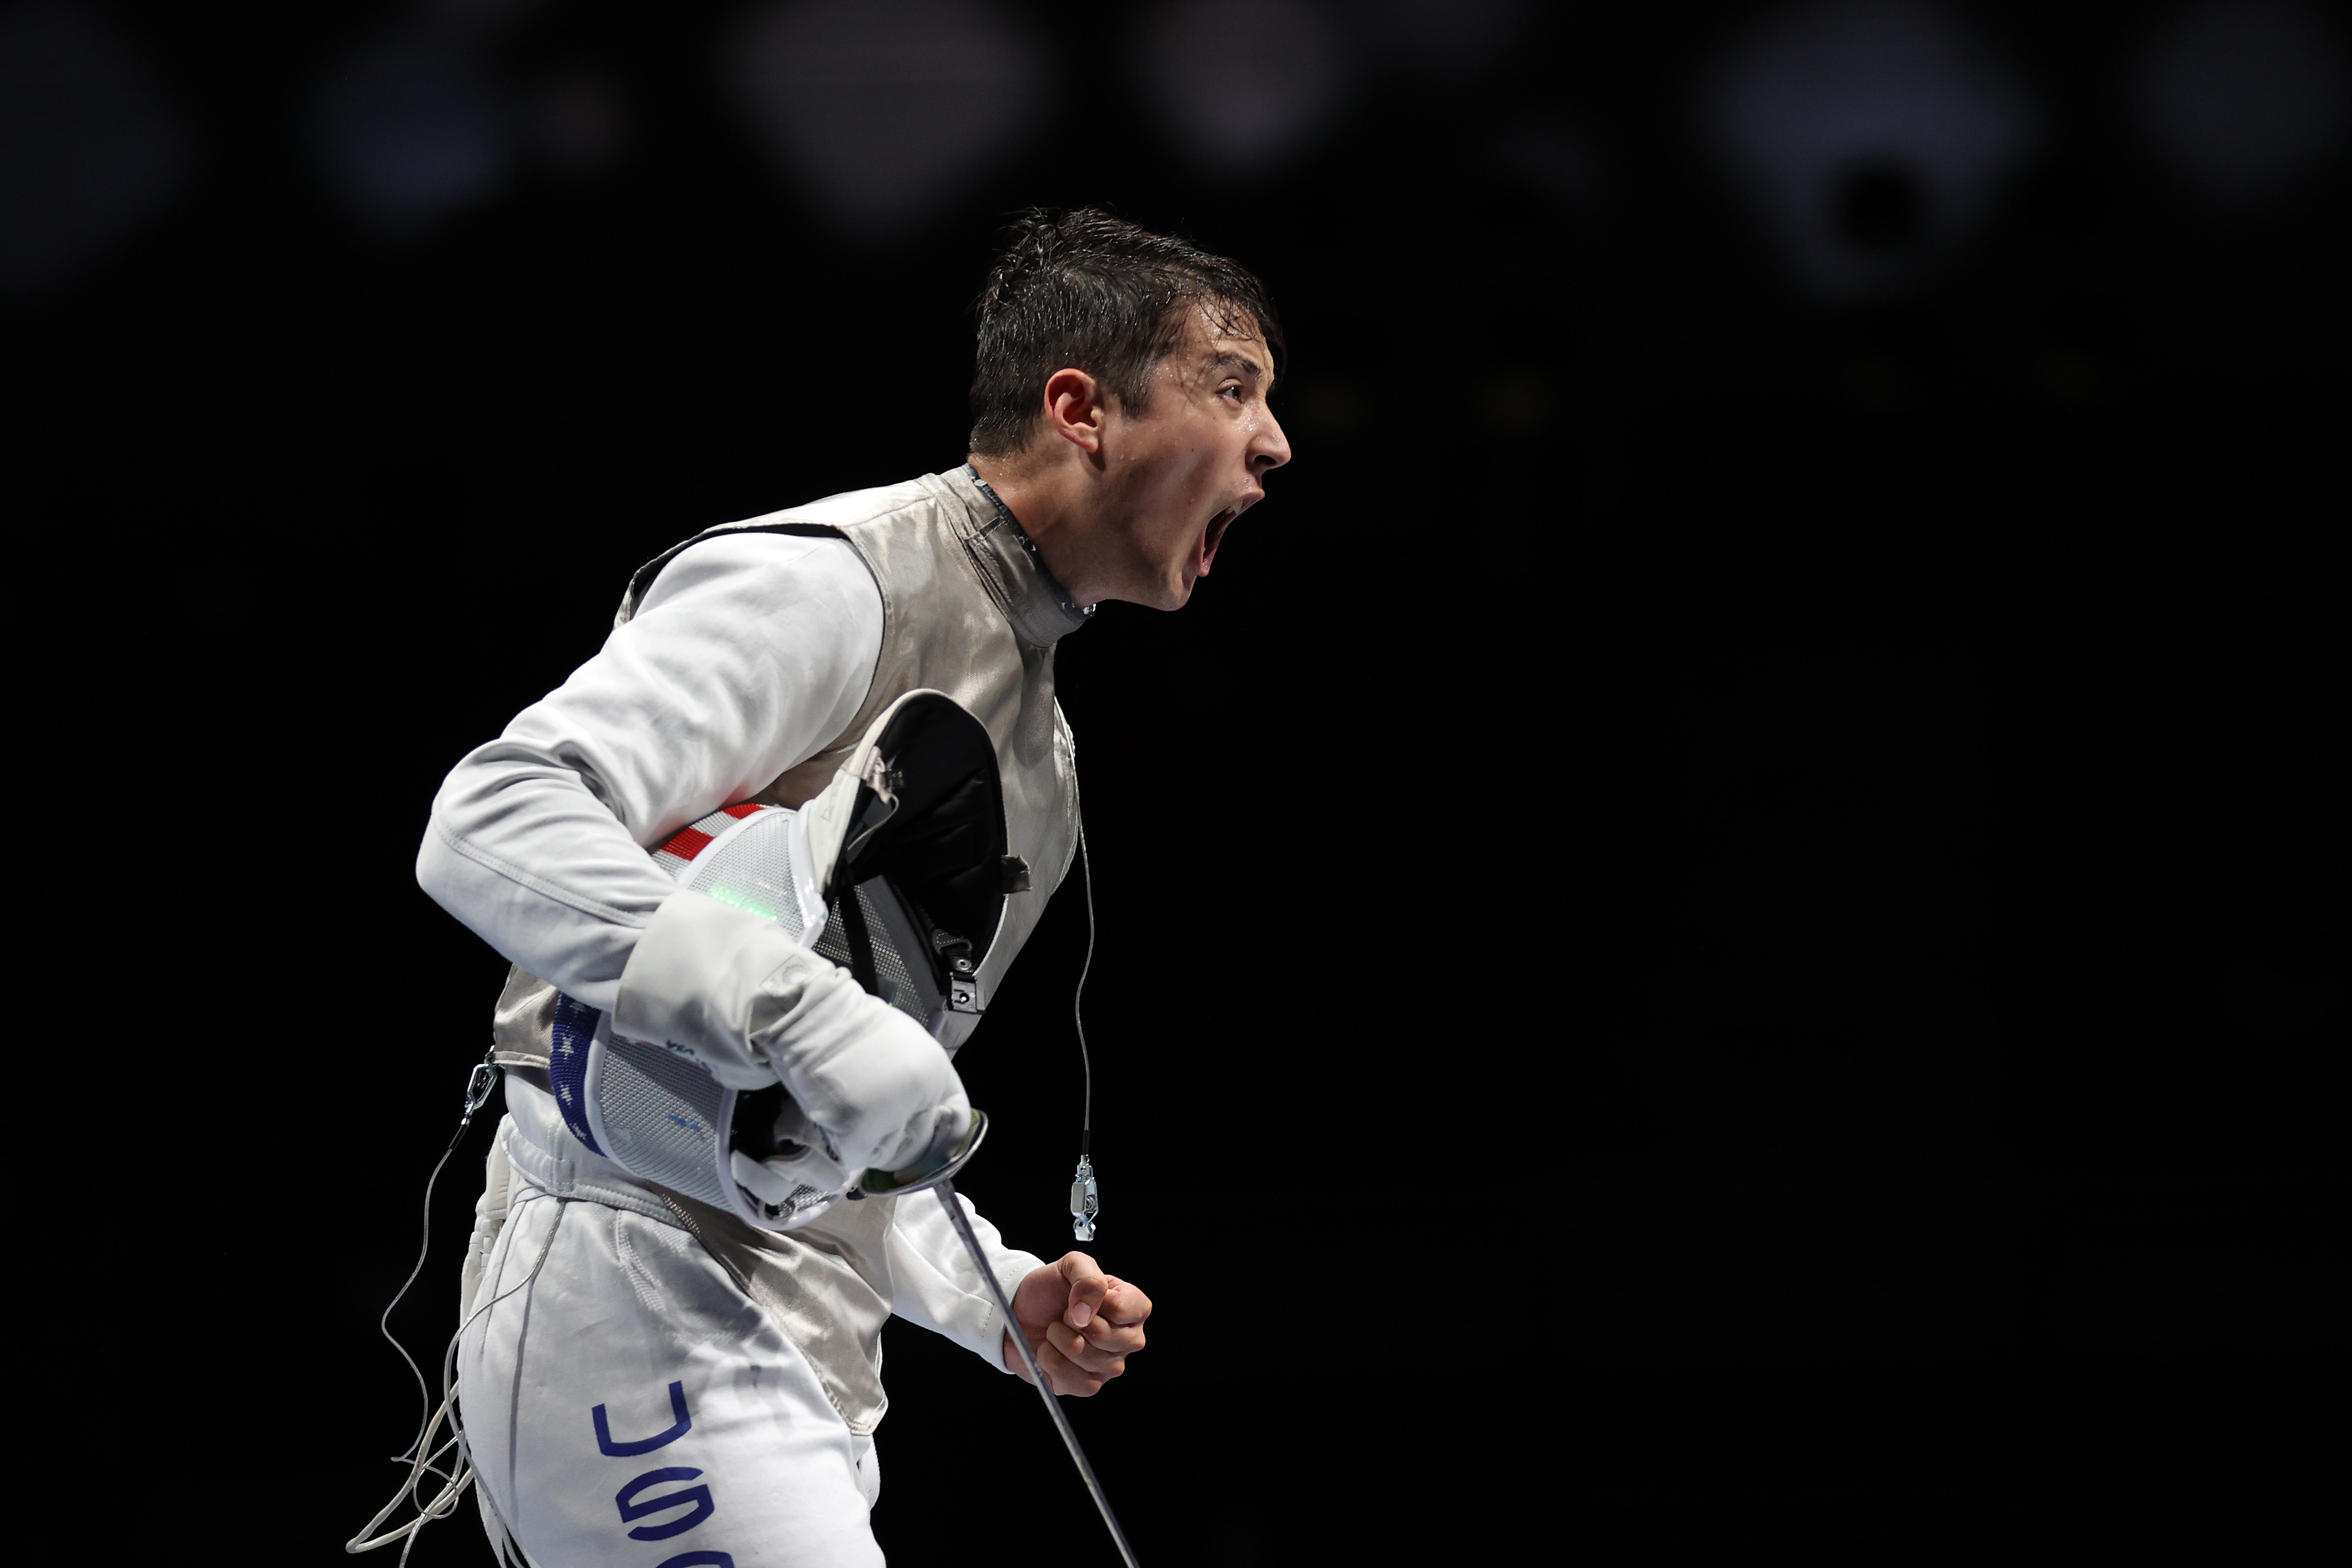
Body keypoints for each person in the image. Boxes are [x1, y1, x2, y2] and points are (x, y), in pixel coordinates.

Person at [415, 208, 1292, 1566]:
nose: (1274, 442)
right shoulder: (843, 582)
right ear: (1079, 409)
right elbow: (490, 816)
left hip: (798, 1341)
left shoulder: (1039, 765)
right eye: (1231, 390)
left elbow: (837, 1124)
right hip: (630, 1272)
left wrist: (992, 1288)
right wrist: (796, 1013)